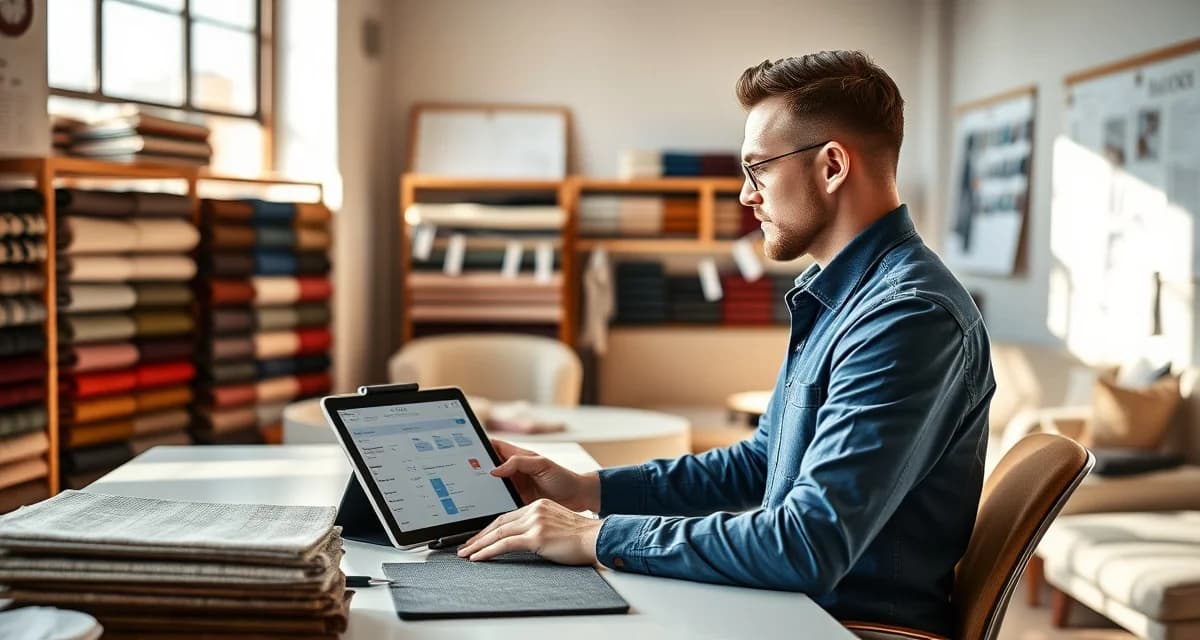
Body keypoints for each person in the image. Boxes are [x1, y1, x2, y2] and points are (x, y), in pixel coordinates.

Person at [456, 50, 994, 636]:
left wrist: (594, 534)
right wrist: (591, 490)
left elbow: (806, 545)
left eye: (757, 169)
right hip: (791, 609)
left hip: (840, 625)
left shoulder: (907, 317)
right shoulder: (840, 296)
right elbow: (761, 463)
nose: (745, 195)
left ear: (833, 165)